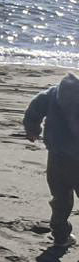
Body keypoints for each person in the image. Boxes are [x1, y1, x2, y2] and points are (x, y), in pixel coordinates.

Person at [25, 73, 79, 246]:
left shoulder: (54, 92)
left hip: (57, 157)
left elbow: (35, 107)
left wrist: (32, 129)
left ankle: (60, 236)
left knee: (60, 199)